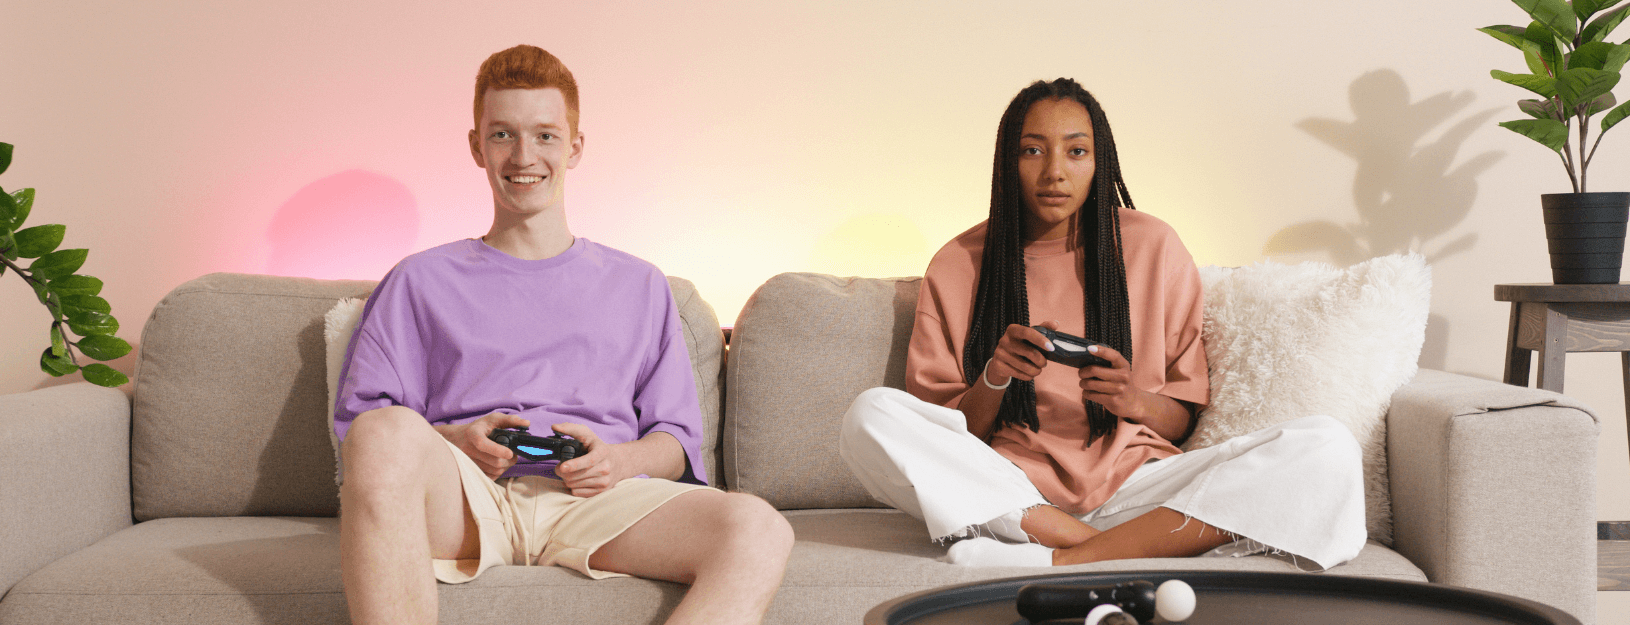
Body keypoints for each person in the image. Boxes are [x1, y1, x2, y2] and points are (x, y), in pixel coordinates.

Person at [332, 45, 793, 625]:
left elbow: (676, 442)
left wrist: (619, 463)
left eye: (545, 135)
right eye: (502, 135)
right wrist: (459, 438)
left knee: (758, 528)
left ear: (575, 147)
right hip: (467, 498)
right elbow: (366, 436)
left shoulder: (642, 285)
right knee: (382, 433)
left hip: (600, 503)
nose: (524, 156)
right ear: (476, 146)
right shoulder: (418, 281)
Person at [838, 78, 1367, 570]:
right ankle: (1118, 550)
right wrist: (996, 377)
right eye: (1032, 150)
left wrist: (1130, 399)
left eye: (1076, 151)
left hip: (1141, 490)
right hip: (1015, 496)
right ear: (1007, 161)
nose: (1054, 172)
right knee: (869, 415)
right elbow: (952, 442)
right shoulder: (959, 263)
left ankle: (1060, 561)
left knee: (1327, 446)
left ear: (1100, 161)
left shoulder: (1152, 246)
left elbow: (1181, 421)